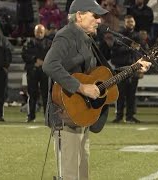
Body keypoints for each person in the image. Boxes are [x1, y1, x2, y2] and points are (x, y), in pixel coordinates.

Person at [42, 0, 151, 179]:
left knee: (82, 173)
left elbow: (101, 77)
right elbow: (49, 65)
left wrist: (133, 68)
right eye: (95, 15)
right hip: (67, 115)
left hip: (82, 116)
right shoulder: (66, 35)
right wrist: (82, 88)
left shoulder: (87, 39)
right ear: (79, 15)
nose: (99, 21)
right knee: (70, 175)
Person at [111, 15, 141, 123]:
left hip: (134, 67)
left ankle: (130, 116)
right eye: (128, 22)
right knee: (120, 93)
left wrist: (140, 67)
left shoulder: (137, 36)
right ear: (125, 23)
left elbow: (140, 52)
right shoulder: (120, 35)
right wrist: (130, 47)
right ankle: (119, 116)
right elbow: (115, 51)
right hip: (121, 67)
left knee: (131, 94)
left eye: (132, 21)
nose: (130, 23)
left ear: (134, 23)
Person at [22, 24, 51, 122]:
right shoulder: (28, 42)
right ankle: (31, 116)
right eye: (37, 32)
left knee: (46, 95)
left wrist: (44, 62)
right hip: (32, 71)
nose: (39, 34)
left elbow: (53, 56)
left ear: (44, 32)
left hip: (45, 72)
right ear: (34, 32)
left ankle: (47, 116)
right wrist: (35, 60)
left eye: (41, 32)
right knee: (32, 94)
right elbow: (24, 54)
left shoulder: (49, 43)